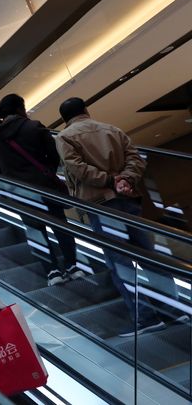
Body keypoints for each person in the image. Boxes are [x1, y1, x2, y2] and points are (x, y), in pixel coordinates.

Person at [56, 97, 172, 336]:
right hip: (129, 201)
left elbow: (77, 168)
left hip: (102, 206)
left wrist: (110, 181)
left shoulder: (65, 137)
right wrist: (126, 179)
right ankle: (173, 309)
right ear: (86, 111)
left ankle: (146, 317)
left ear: (65, 119)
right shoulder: (112, 129)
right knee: (149, 255)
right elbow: (136, 159)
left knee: (120, 262)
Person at [0, 94, 84, 286]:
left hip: (20, 193)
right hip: (45, 187)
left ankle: (52, 271)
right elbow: (55, 155)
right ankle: (72, 266)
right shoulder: (34, 126)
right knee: (60, 225)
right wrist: (46, 171)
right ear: (20, 108)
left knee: (34, 230)